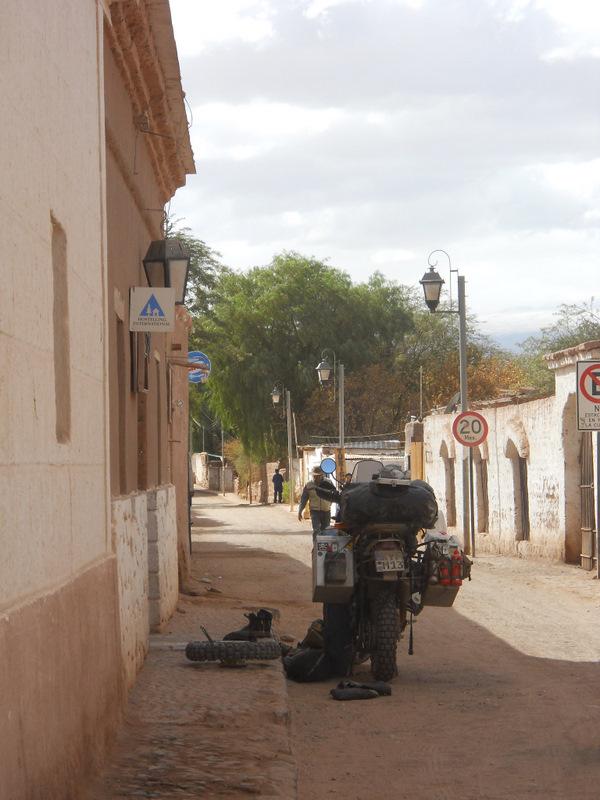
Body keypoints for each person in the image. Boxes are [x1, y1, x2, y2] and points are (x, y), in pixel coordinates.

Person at [298, 466, 336, 538]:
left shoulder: (328, 482)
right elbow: (304, 499)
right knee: (316, 530)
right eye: (314, 476)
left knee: (326, 531)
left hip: (326, 511)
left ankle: (324, 548)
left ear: (322, 475)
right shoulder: (309, 485)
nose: (316, 478)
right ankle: (316, 547)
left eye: (318, 476)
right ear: (312, 475)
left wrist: (330, 503)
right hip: (315, 511)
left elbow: (334, 494)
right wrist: (300, 511)